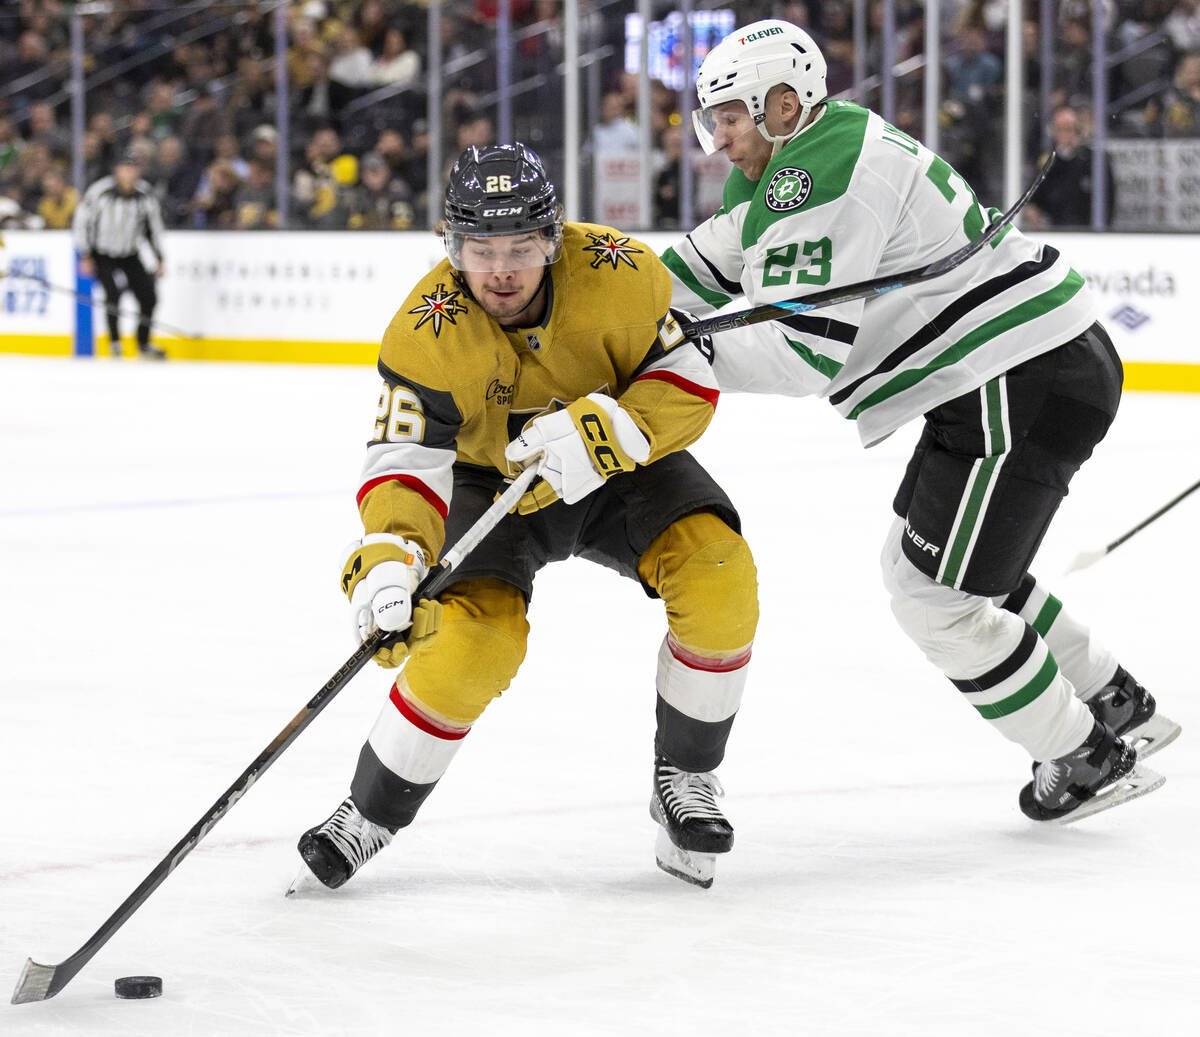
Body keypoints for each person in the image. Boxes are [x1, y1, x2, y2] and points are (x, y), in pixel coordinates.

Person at [663, 19, 1180, 824]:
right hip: (1020, 368)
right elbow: (700, 267)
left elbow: (802, 351)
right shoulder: (800, 157)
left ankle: (1084, 755)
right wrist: (608, 300)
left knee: (935, 597)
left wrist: (662, 359)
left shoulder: (818, 173)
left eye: (730, 115)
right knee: (938, 569)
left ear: (783, 102)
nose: (719, 138)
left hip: (1016, 375)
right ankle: (1113, 701)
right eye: (713, 118)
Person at [293, 143, 758, 892]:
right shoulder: (423, 332)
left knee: (719, 573)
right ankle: (369, 811)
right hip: (490, 483)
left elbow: (687, 380)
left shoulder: (622, 271)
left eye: (519, 248)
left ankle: (686, 777)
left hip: (619, 461)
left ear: (553, 238)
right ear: (451, 247)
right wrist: (387, 558)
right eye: (481, 250)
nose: (501, 270)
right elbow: (404, 463)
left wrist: (607, 435)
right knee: (472, 642)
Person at [71, 151, 167, 359]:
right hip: (102, 253)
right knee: (112, 294)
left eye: (133, 168)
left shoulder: (145, 194)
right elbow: (82, 223)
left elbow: (154, 229)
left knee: (148, 297)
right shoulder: (100, 191)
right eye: (125, 168)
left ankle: (143, 342)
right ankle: (115, 342)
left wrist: (160, 258)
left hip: (130, 253)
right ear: (117, 170)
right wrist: (85, 254)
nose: (129, 173)